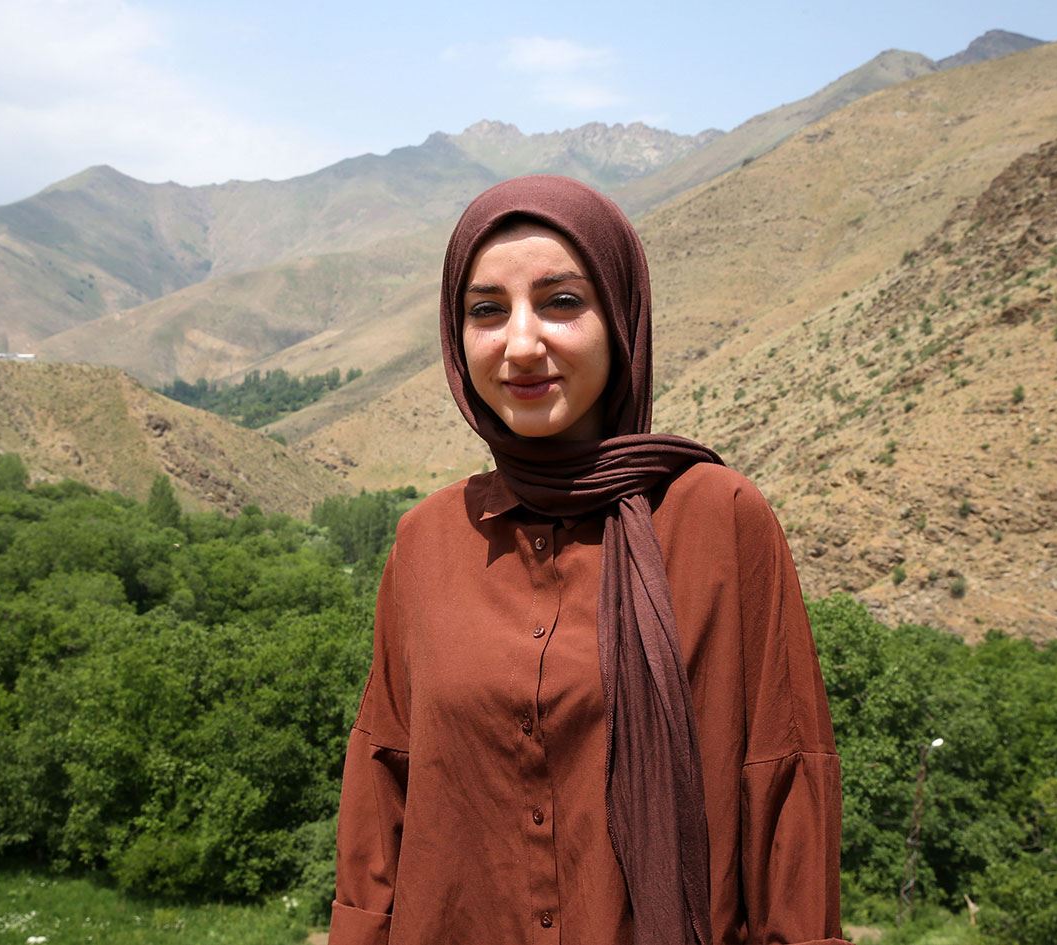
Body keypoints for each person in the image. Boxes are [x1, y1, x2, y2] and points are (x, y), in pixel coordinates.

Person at [329, 175, 846, 945]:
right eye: (486, 310)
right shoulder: (427, 542)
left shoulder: (719, 521)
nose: (521, 343)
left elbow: (784, 782)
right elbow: (383, 790)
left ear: (621, 318)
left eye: (561, 302)